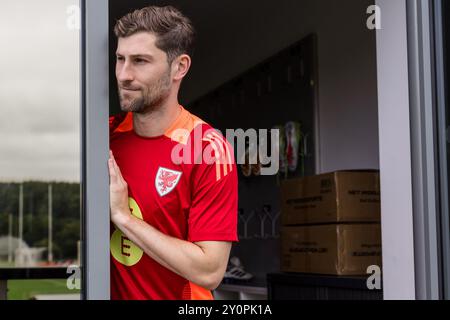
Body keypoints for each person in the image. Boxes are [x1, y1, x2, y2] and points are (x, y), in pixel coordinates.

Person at [108, 5, 238, 300]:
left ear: (179, 67)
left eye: (140, 61)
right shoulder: (104, 137)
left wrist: (124, 217)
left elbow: (210, 271)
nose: (124, 75)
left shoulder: (207, 149)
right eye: (120, 59)